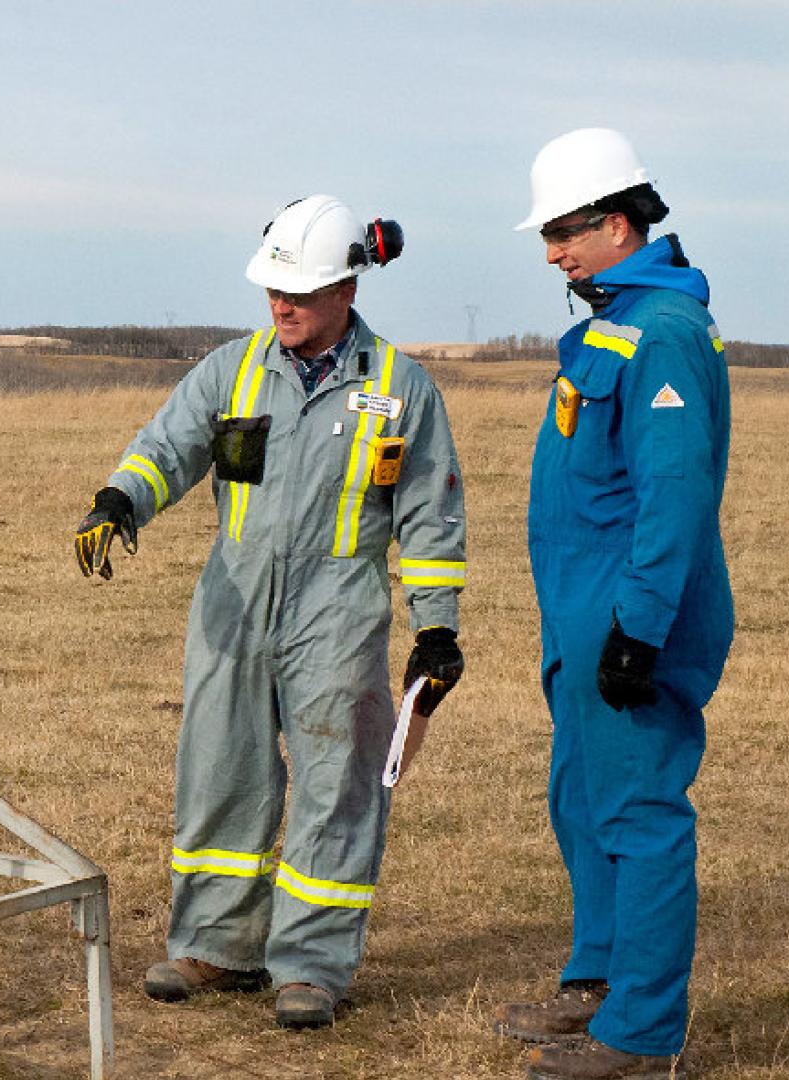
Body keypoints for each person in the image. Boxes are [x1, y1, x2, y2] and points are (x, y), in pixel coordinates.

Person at [74, 195, 467, 1029]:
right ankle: (216, 947)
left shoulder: (402, 389)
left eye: (300, 292)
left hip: (339, 610)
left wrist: (436, 628)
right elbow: (167, 447)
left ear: (346, 291)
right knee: (220, 769)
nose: (280, 306)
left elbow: (432, 515)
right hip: (233, 605)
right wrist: (120, 501)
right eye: (272, 292)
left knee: (337, 785)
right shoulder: (232, 369)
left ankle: (312, 967)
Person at [496, 128, 733, 1080]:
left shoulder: (665, 332)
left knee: (638, 810)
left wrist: (636, 630)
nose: (552, 252)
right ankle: (596, 980)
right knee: (583, 800)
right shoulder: (609, 322)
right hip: (582, 613)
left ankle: (641, 1034)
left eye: (565, 232)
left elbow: (672, 499)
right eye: (548, 234)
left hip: (634, 617)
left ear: (621, 222)